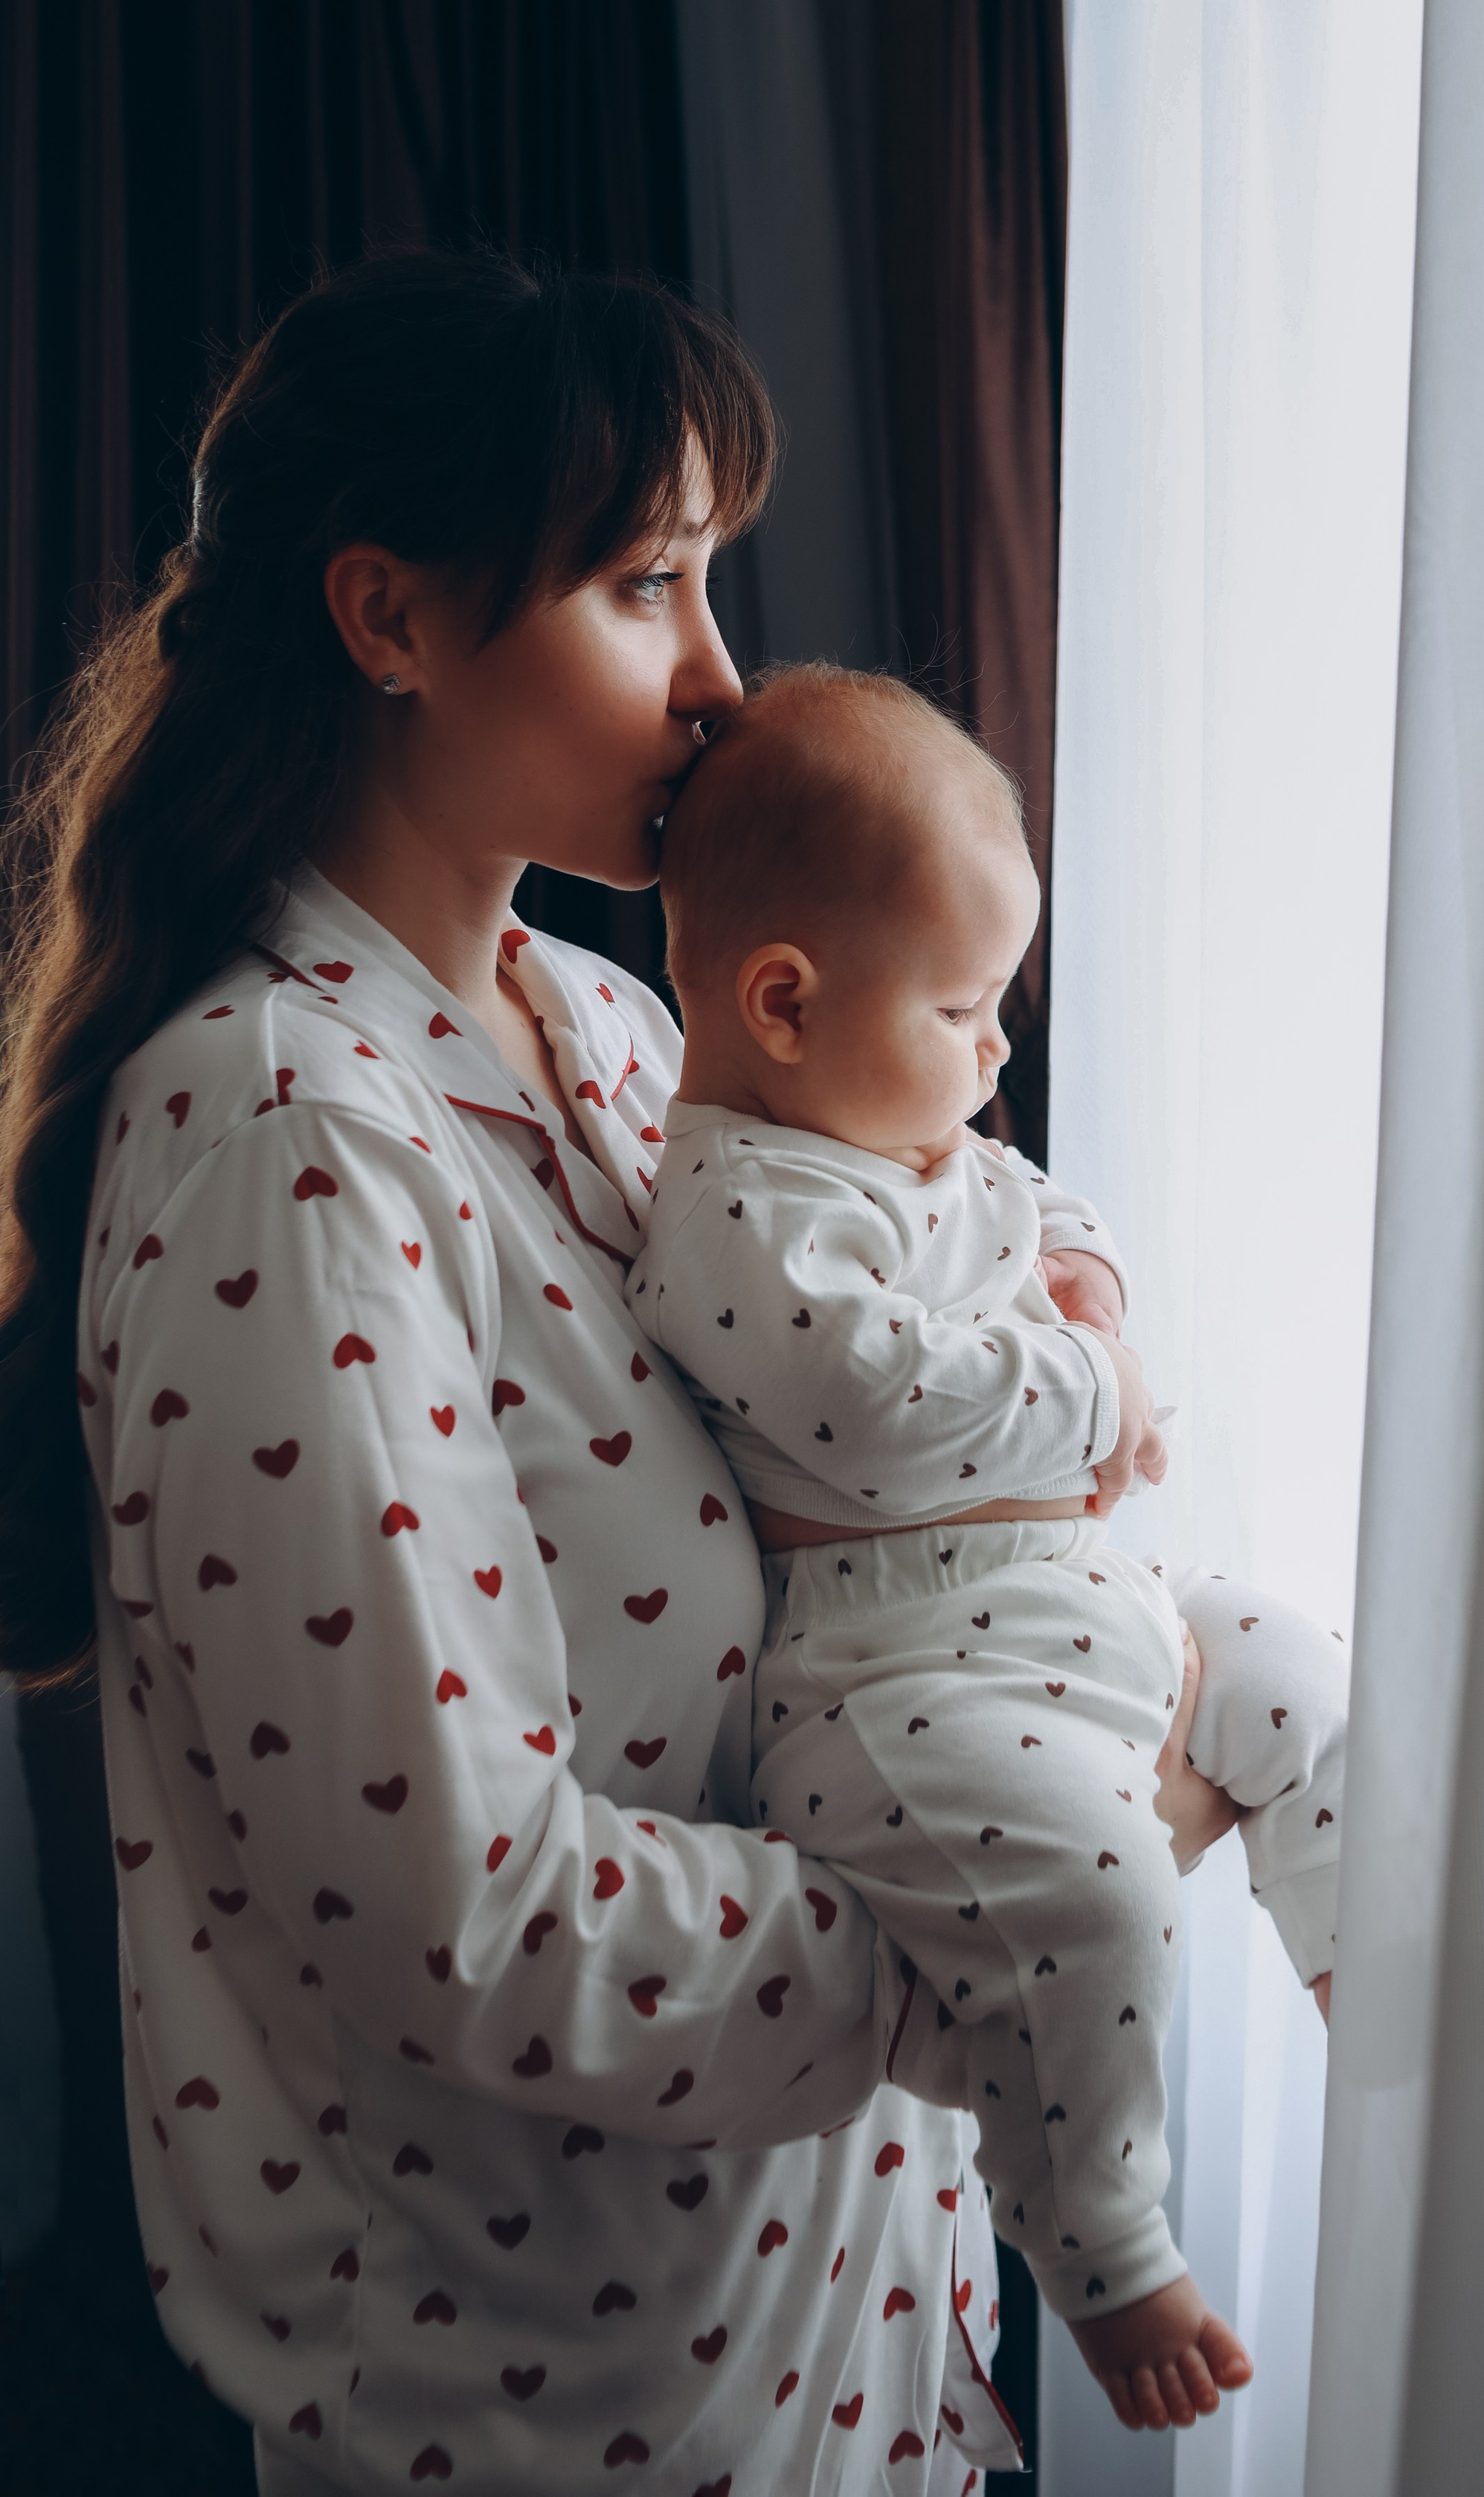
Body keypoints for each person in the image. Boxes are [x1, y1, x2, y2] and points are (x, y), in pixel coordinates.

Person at [0, 249, 1242, 2492]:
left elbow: (946, 1287)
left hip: (844, 2329)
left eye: (716, 581)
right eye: (652, 582)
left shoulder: (615, 1037)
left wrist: (1078, 1334)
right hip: (568, 2415)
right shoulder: (291, 1130)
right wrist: (1013, 1915)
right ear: (387, 618)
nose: (724, 678)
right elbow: (464, 1909)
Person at [632, 663, 1347, 2433]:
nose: (996, 1052)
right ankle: (1100, 2244)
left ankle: (1368, 1973)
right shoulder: (738, 1212)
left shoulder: (923, 1137)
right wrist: (1097, 1389)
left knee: (1290, 1670)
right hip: (905, 1678)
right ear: (782, 1005)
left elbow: (1049, 1207)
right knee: (1094, 1898)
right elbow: (880, 1393)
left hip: (1070, 1612)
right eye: (963, 1008)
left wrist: (1086, 1280)